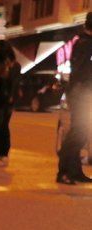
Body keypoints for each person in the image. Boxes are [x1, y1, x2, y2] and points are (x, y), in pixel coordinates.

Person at [56, 11, 92, 184]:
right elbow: (81, 72)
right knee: (77, 132)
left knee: (82, 132)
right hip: (81, 93)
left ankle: (75, 171)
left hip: (84, 92)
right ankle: (63, 172)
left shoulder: (86, 42)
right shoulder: (84, 43)